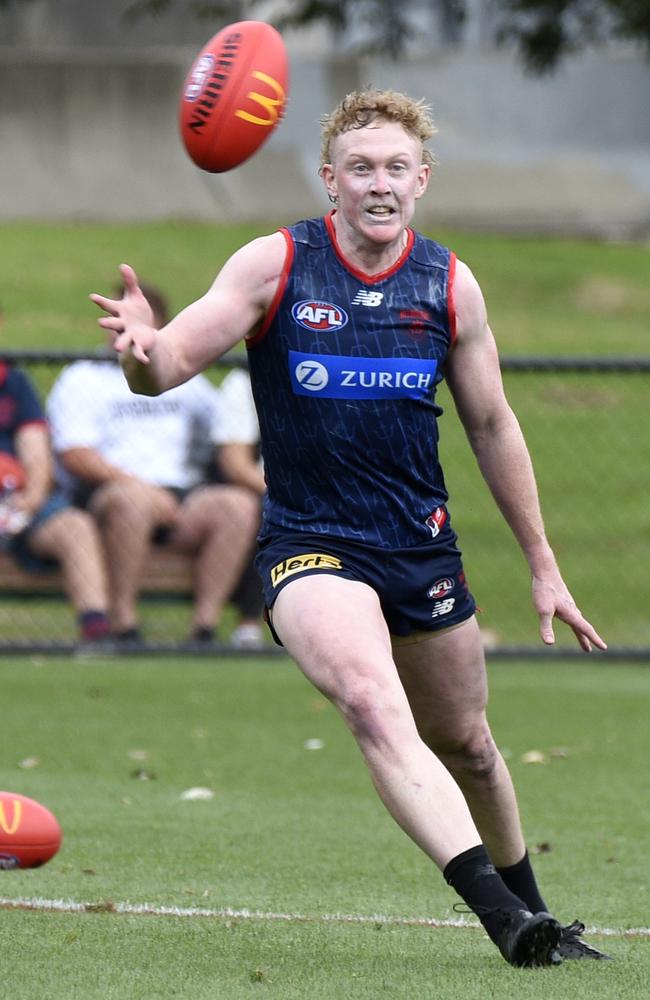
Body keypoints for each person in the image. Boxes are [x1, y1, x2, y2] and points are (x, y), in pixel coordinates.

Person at [90, 89, 610, 966]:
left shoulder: (450, 284)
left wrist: (543, 563)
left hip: (420, 546)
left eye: (396, 168)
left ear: (423, 180)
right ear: (329, 180)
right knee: (372, 703)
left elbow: (492, 426)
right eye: (360, 168)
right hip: (310, 545)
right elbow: (171, 362)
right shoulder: (276, 264)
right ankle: (502, 919)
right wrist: (142, 354)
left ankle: (536, 911)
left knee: (471, 747)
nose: (379, 183)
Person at [47, 283, 259, 646]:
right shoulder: (83, 377)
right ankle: (124, 625)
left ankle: (203, 630)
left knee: (237, 506)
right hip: (110, 495)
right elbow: (75, 453)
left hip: (182, 496)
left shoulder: (184, 381)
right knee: (132, 501)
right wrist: (138, 486)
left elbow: (220, 433)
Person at [0, 307, 111, 647]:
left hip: (16, 503)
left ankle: (96, 632)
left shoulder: (12, 381)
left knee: (75, 526)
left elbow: (35, 449)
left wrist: (29, 500)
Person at [212, 366, 266, 649]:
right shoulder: (244, 381)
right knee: (264, 511)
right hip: (270, 492)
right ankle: (248, 623)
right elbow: (234, 463)